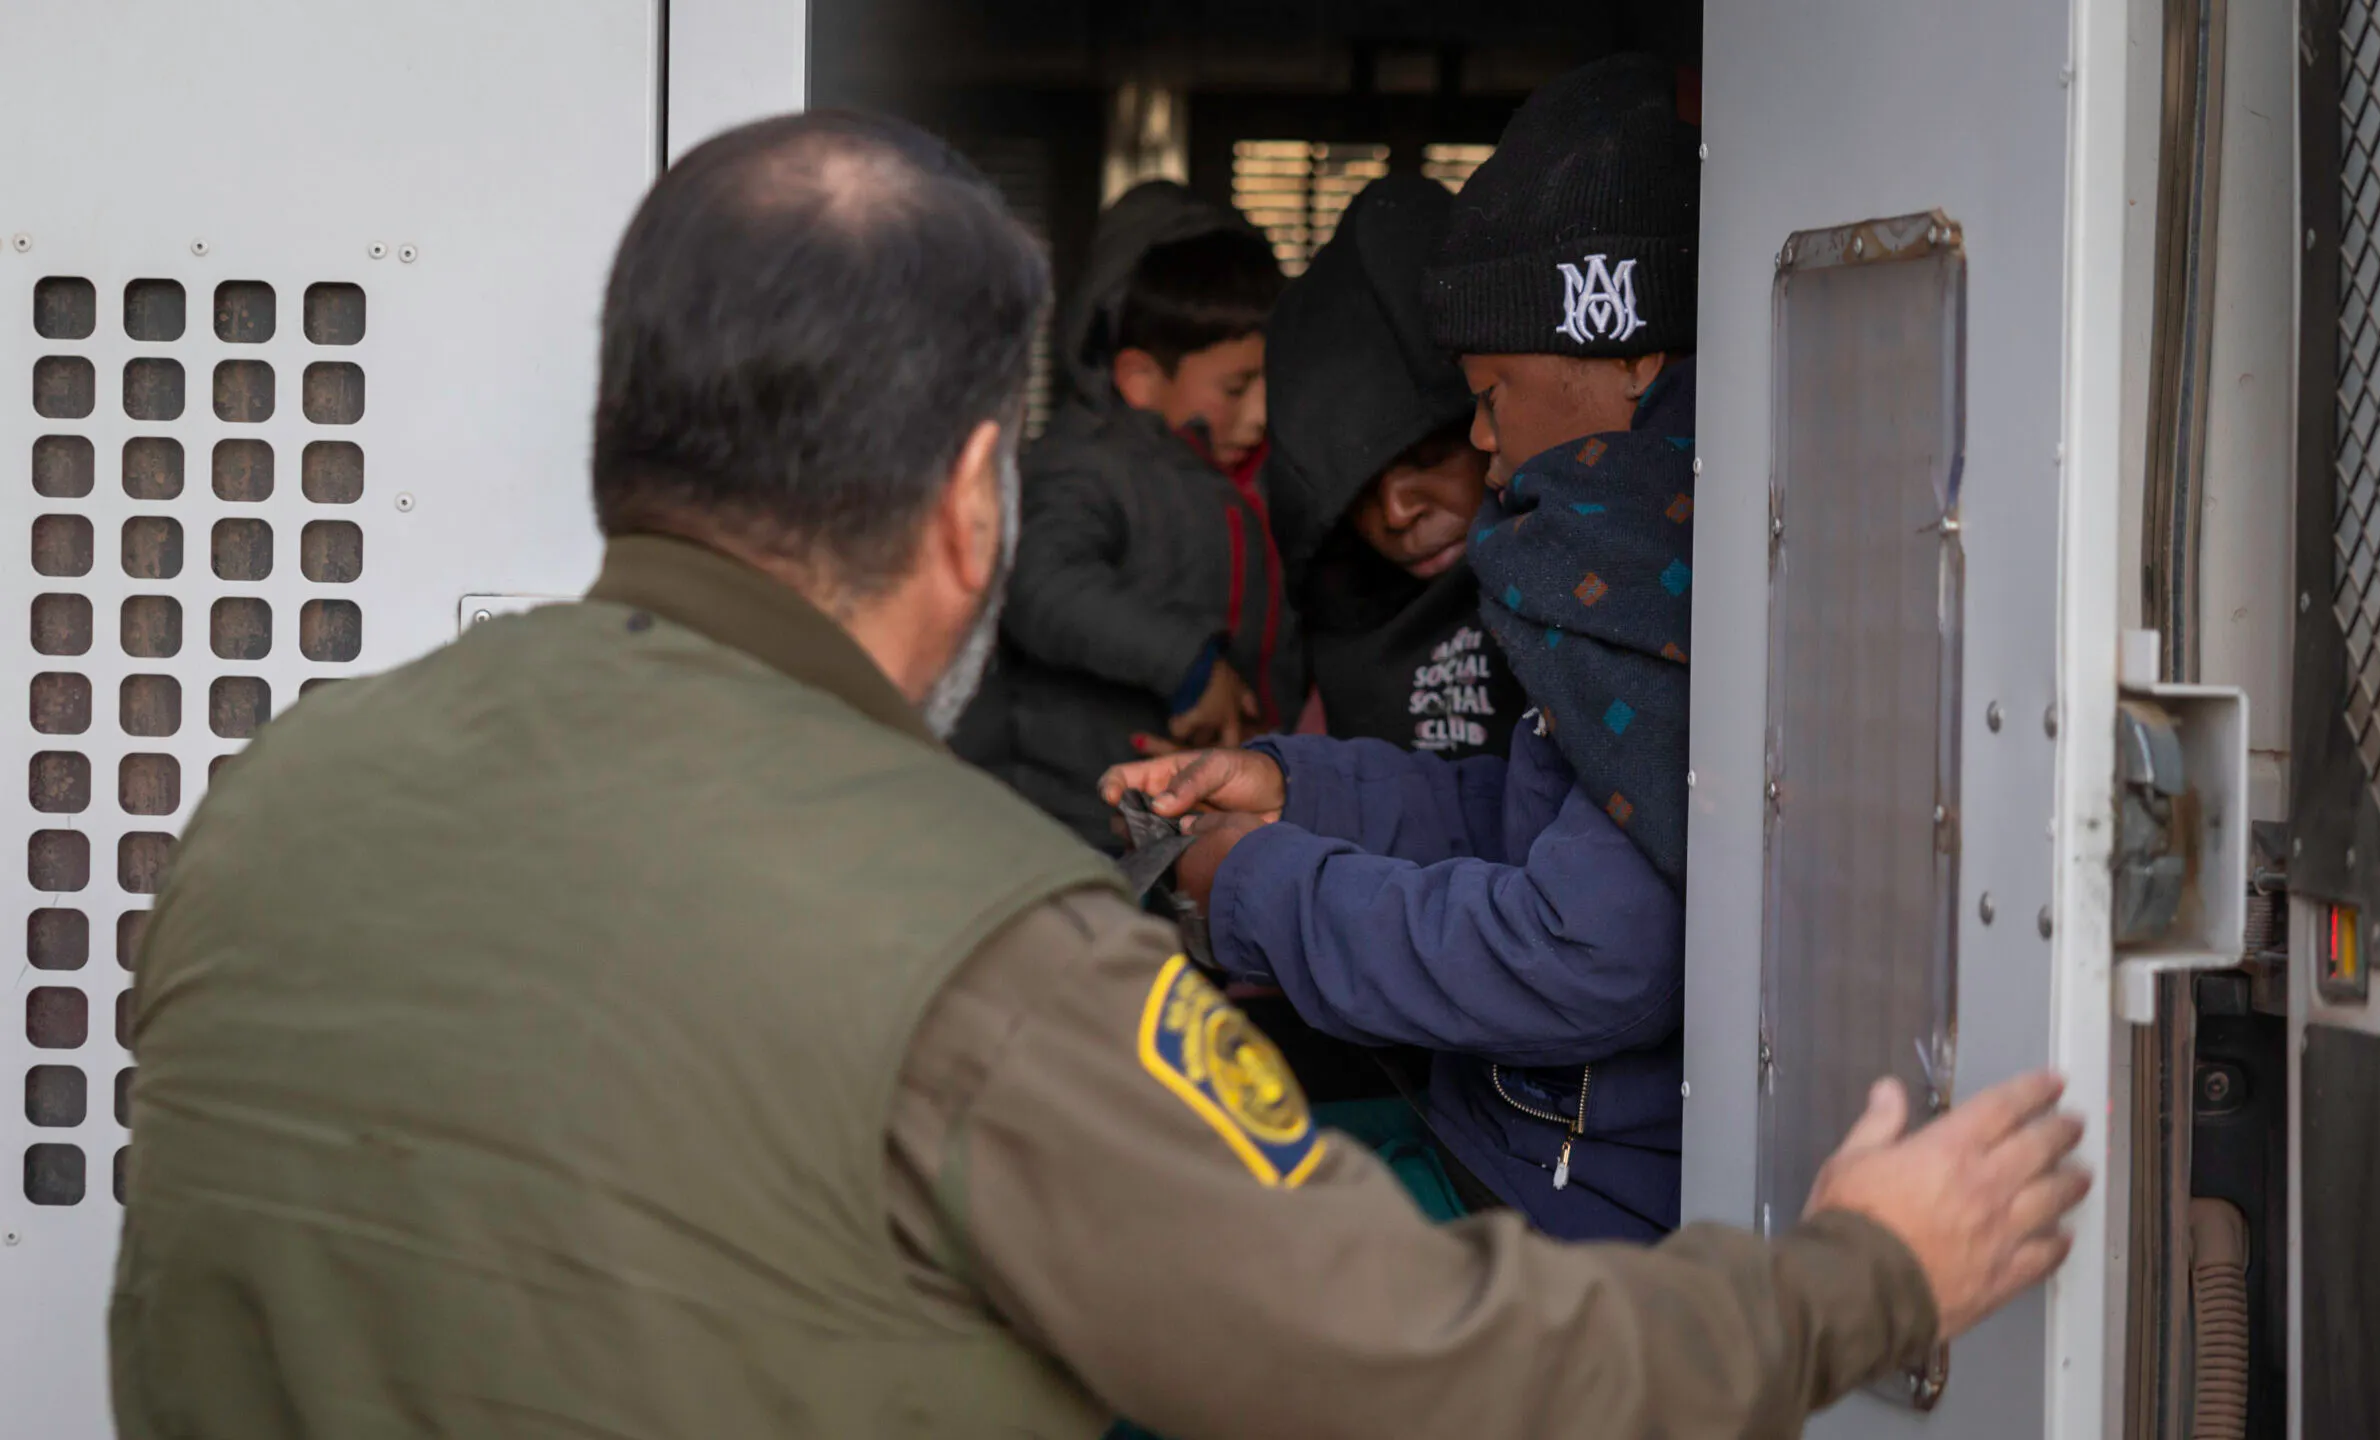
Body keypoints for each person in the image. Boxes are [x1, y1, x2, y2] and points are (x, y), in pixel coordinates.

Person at [111, 110, 2088, 1440]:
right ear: (981, 503)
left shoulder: (279, 798)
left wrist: (1299, 816)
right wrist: (1859, 1282)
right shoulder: (984, 957)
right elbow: (1408, 1374)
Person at [1104, 53, 1706, 1243]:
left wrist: (1253, 887)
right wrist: (1296, 785)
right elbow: (1532, 827)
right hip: (1498, 1140)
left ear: (1631, 361)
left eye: (1491, 393)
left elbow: (1584, 951)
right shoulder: (1626, 562)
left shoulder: (1644, 584)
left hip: (1560, 1212)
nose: (1482, 443)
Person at [955, 181, 1299, 849]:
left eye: (1271, 381)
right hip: (1081, 816)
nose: (1261, 414)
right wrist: (1189, 668)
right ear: (1140, 377)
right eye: (1235, 388)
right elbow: (1036, 579)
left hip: (1203, 811)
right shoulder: (1084, 463)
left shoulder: (1254, 476)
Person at [1262, 172, 1525, 763]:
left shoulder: (1584, 599)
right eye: (1349, 489)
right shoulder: (1338, 627)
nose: (1397, 512)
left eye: (1428, 457)